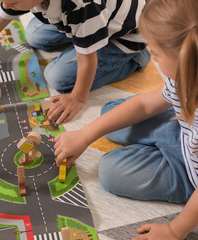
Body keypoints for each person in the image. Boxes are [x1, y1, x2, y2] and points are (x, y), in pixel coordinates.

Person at [54, 0, 198, 239]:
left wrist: (174, 230)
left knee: (110, 171)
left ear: (184, 58)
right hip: (184, 129)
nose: (151, 54)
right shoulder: (186, 72)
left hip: (191, 173)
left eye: (155, 52)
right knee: (110, 113)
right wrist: (86, 134)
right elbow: (143, 104)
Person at [0, 0, 150, 123]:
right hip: (86, 18)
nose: (7, 3)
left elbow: (88, 61)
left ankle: (136, 57)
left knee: (58, 77)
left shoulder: (83, 8)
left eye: (13, 1)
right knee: (35, 36)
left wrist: (76, 98)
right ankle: (82, 37)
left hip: (127, 35)